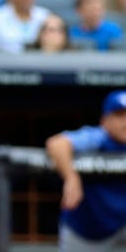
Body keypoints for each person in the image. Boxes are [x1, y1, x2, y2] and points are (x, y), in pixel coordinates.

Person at [45, 90, 126, 252]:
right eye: (119, 115)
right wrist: (71, 177)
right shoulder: (98, 138)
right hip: (85, 233)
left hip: (121, 228)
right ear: (104, 121)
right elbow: (57, 144)